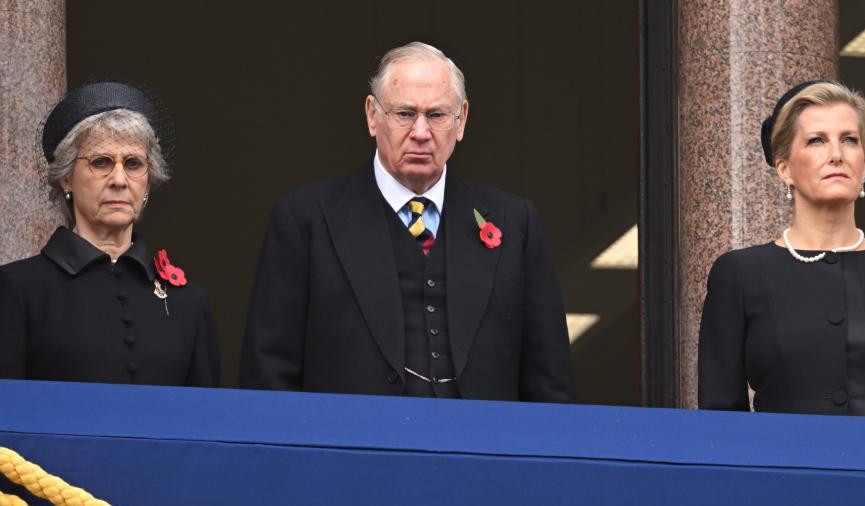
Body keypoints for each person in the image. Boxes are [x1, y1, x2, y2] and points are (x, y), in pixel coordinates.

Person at [240, 42, 575, 402]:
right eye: (404, 113)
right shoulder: (304, 222)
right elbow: (268, 378)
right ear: (372, 115)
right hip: (352, 451)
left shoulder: (516, 224)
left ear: (461, 120)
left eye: (436, 115)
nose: (420, 132)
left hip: (480, 452)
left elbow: (549, 383)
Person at [698, 80, 865, 419]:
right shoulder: (741, 274)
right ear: (784, 168)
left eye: (850, 140)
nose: (837, 154)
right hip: (784, 469)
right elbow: (720, 422)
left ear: (864, 163)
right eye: (816, 140)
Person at [0, 82, 219, 386]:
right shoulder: (18, 290)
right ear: (66, 177)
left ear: (148, 181)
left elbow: (202, 425)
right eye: (100, 162)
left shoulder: (190, 304)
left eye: (133, 164)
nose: (119, 179)